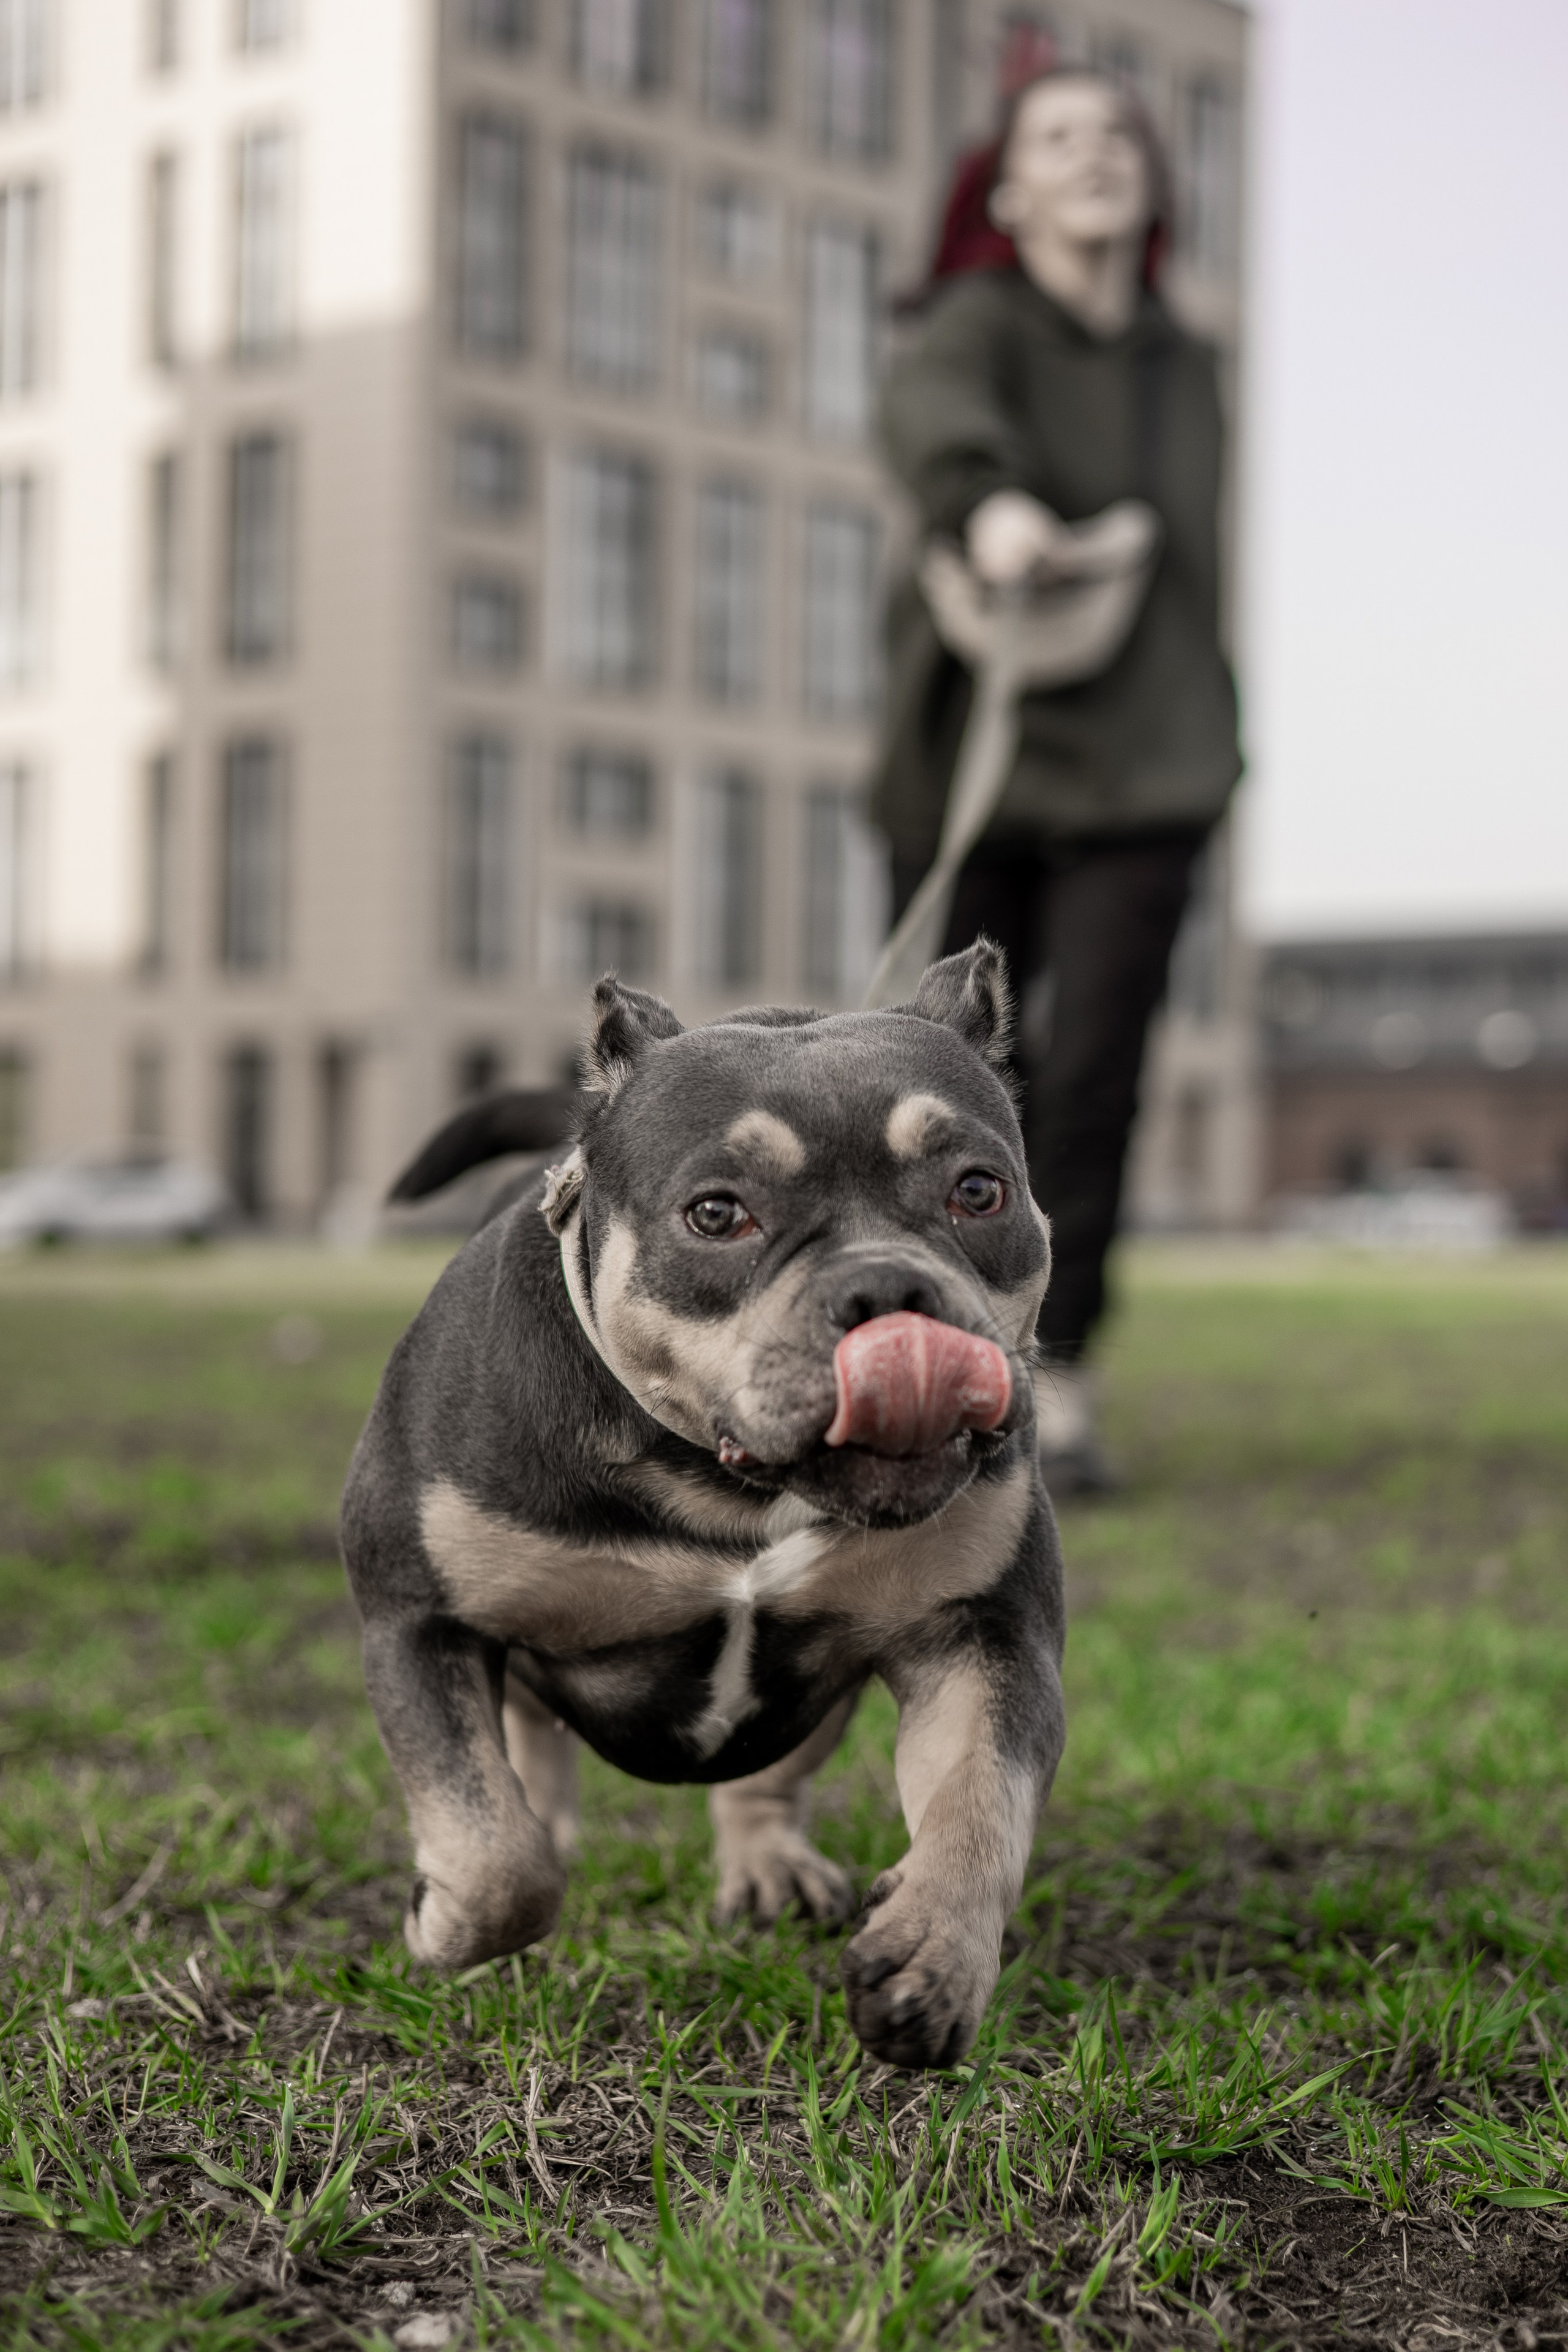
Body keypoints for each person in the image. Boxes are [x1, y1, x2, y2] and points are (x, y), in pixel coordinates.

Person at [872, 67, 1243, 1491]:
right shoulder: (973, 324)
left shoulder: (1182, 360)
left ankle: (1056, 1375)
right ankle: (910, 1353)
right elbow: (937, 427)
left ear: (1149, 185)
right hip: (978, 754)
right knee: (941, 1086)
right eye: (1057, 139)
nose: (1094, 156)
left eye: (1117, 138)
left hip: (1148, 762)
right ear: (1009, 193)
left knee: (1090, 1079)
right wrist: (993, 505)